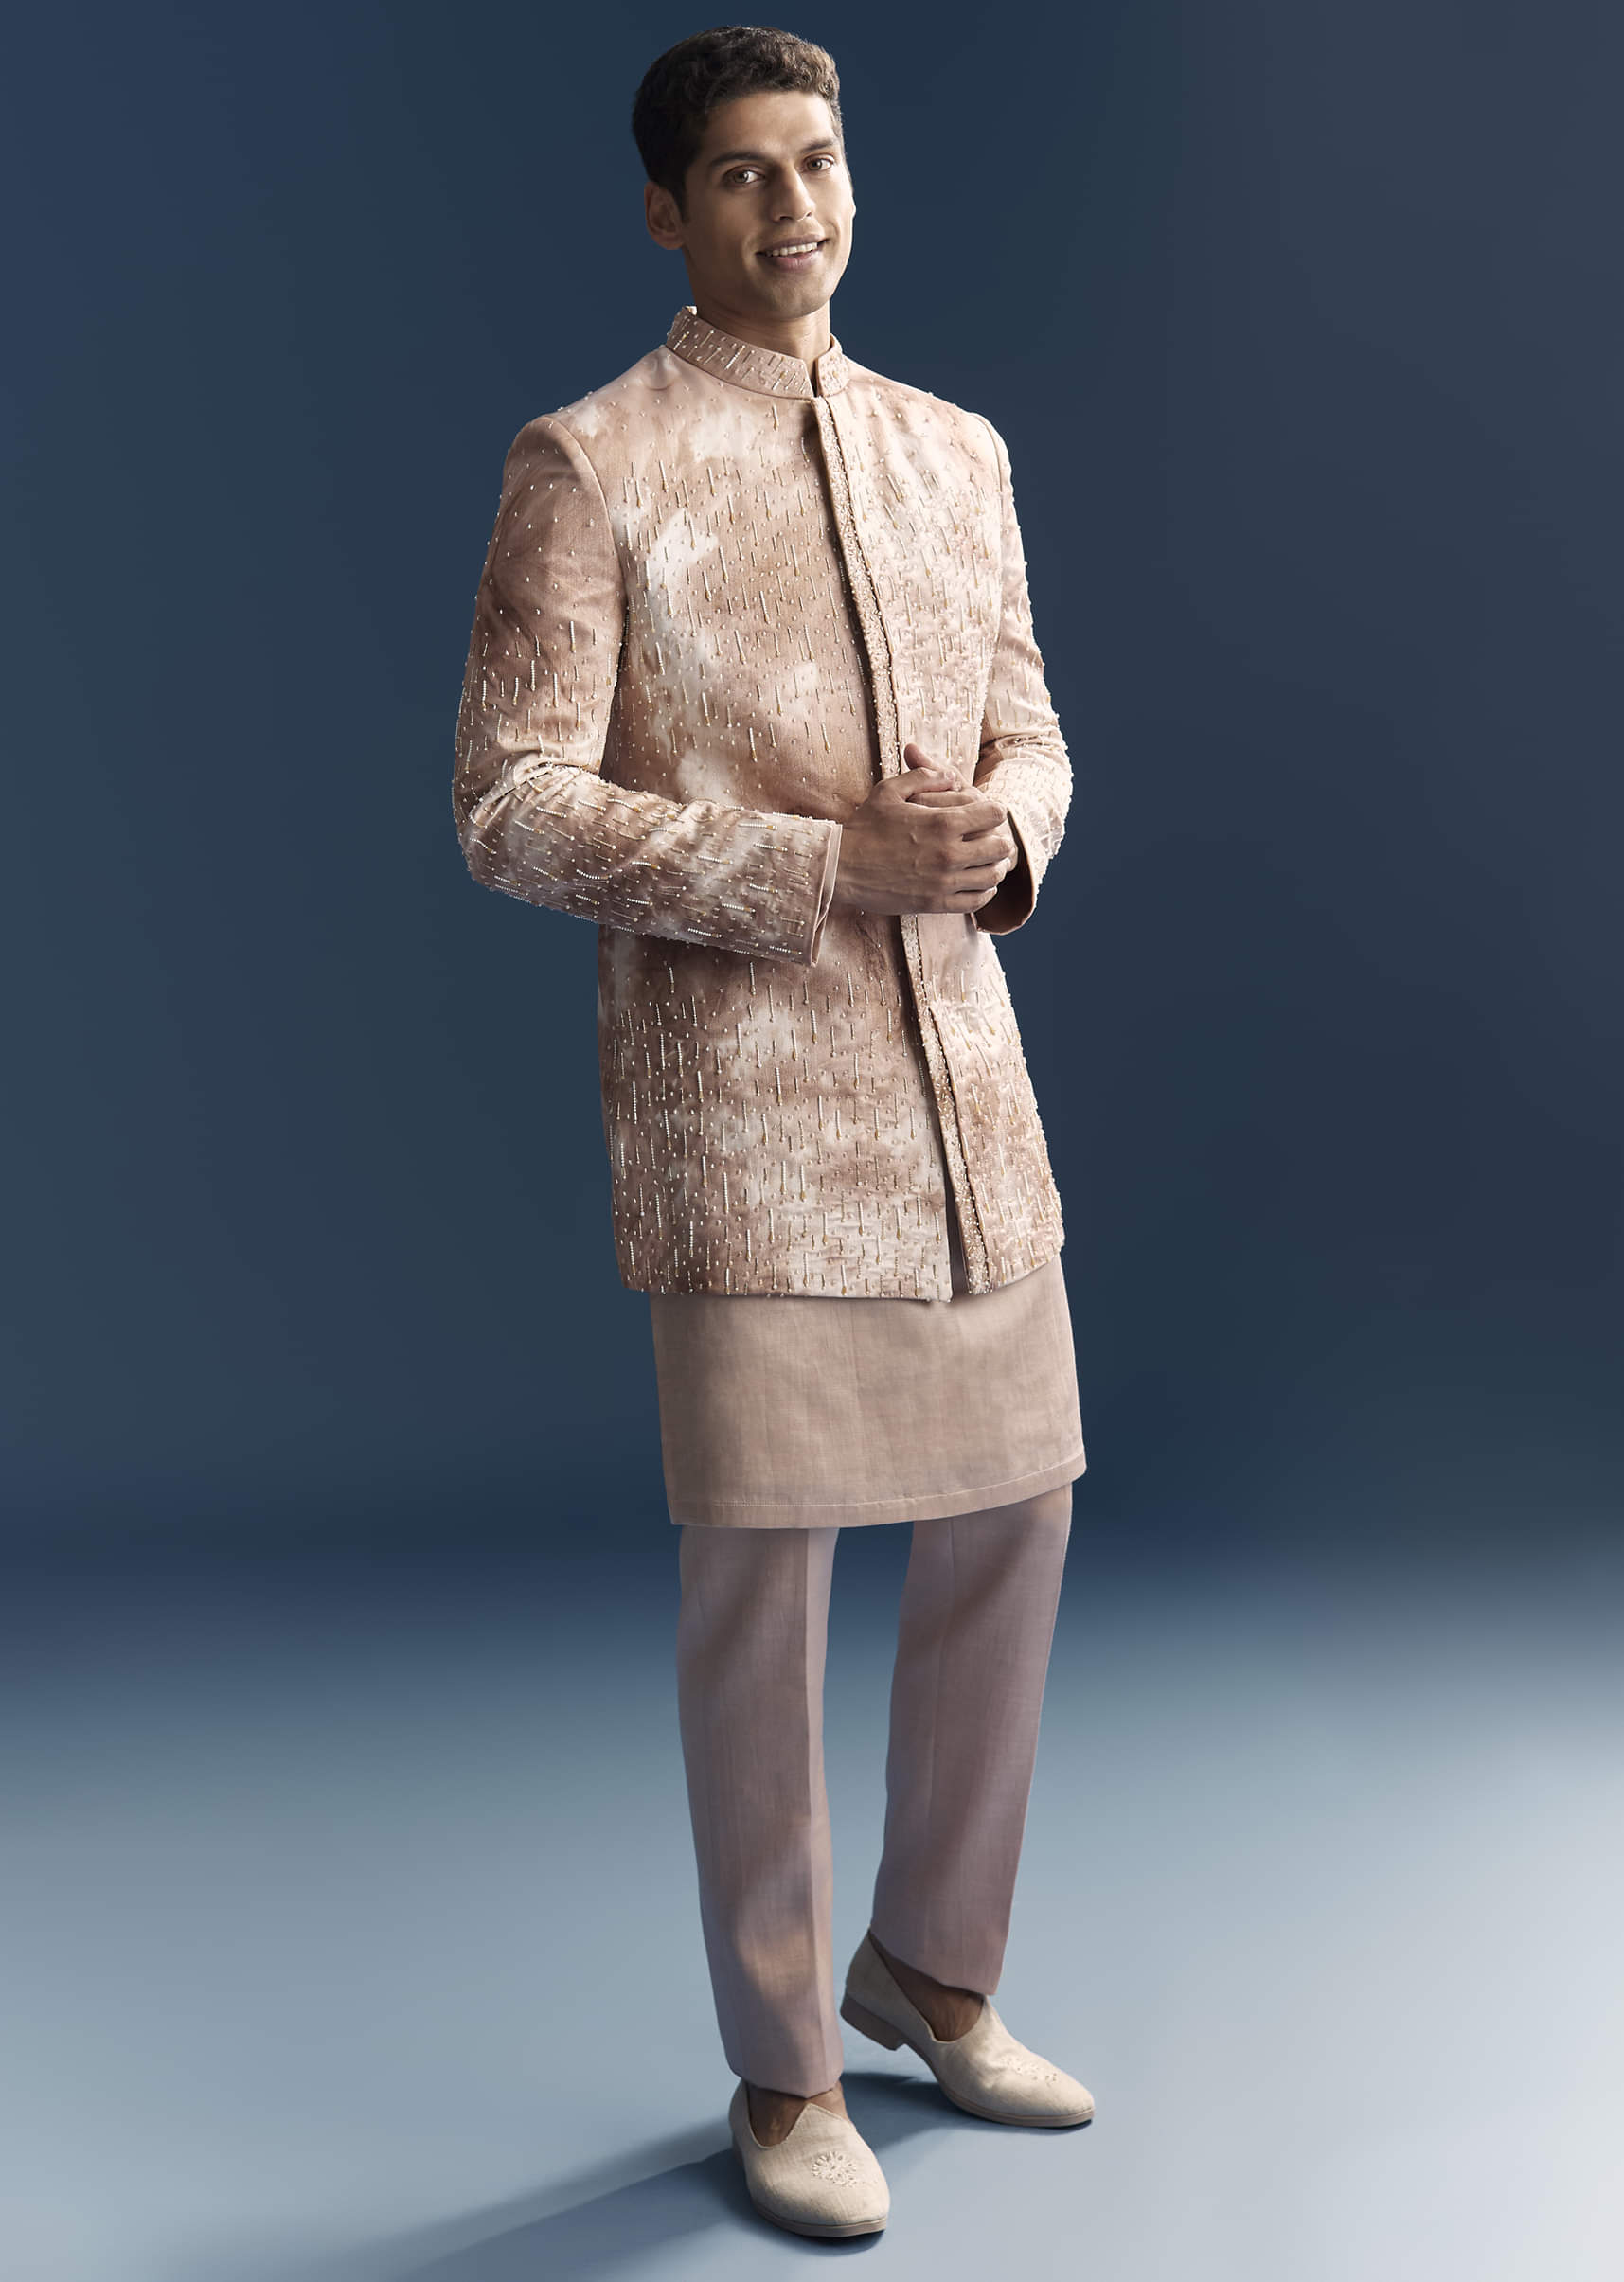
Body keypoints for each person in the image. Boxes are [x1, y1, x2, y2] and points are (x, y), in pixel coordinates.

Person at [452, 23, 1093, 2241]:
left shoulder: (954, 452)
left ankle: (937, 1968)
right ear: (668, 212)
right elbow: (508, 804)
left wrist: (1002, 834)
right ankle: (784, 2062)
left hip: (966, 1097)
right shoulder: (592, 463)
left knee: (1017, 1516)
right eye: (740, 172)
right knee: (767, 1588)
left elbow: (1032, 727)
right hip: (745, 1118)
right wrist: (821, 863)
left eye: (815, 160)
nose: (791, 204)